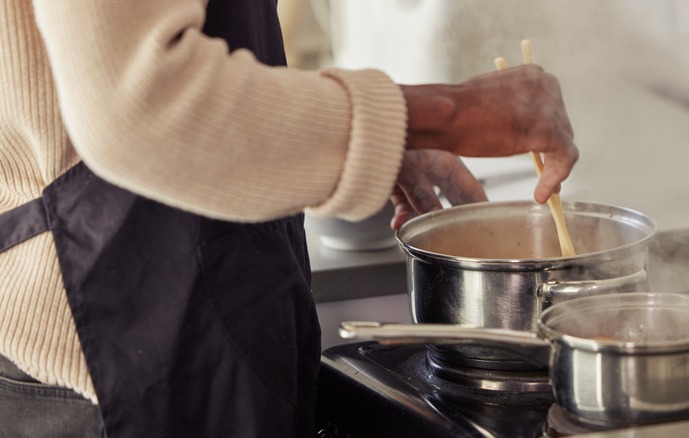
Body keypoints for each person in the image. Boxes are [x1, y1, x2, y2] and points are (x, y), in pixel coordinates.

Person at [0, 1, 577, 437]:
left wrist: (379, 139)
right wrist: (452, 112)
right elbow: (139, 103)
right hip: (108, 359)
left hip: (210, 328)